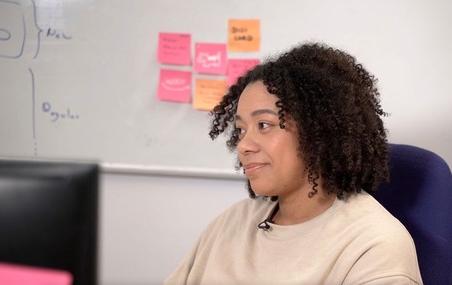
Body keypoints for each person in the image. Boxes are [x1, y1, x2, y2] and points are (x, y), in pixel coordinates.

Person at [164, 42, 422, 285]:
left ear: (318, 130)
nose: (243, 145)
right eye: (241, 129)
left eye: (264, 125)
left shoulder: (374, 246)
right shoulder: (233, 221)